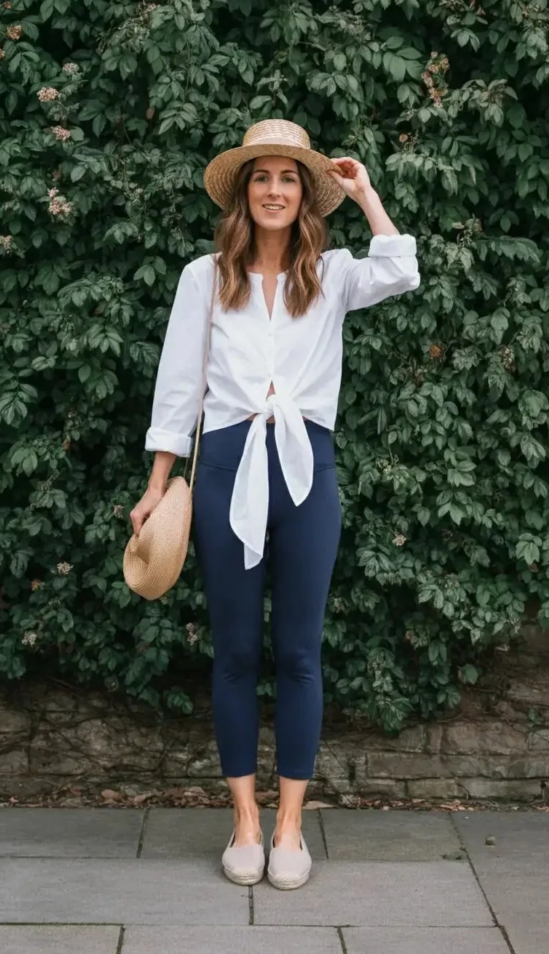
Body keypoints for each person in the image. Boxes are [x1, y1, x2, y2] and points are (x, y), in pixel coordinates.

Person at [130, 119, 419, 890]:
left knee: (296, 653)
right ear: (242, 193)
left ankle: (291, 826)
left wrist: (364, 193)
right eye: (261, 177)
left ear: (304, 195)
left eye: (289, 179)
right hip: (225, 464)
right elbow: (176, 389)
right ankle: (245, 822)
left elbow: (400, 270)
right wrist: (158, 484)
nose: (274, 191)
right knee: (232, 654)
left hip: (305, 469)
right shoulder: (203, 276)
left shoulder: (328, 273)